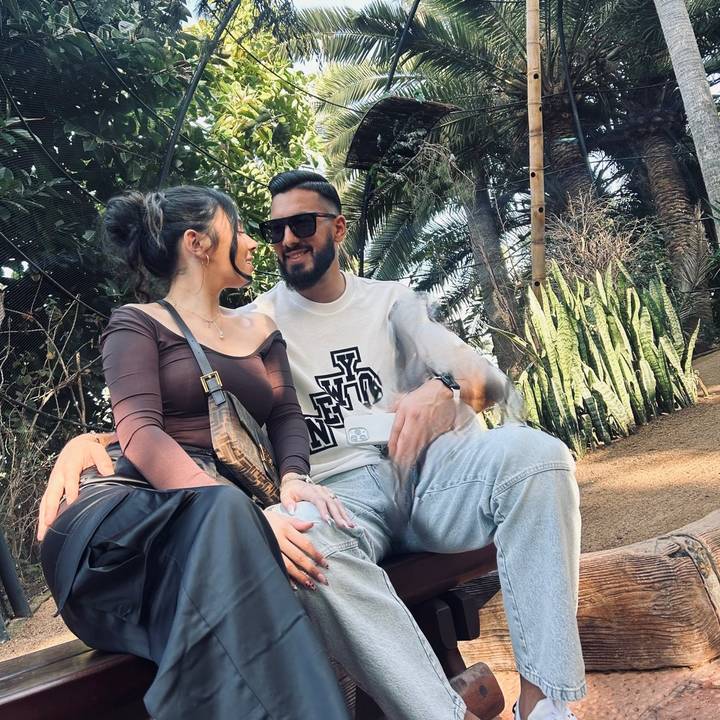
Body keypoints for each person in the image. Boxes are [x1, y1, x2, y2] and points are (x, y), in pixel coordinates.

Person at [40, 172, 586, 720]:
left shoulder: (390, 302)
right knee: (302, 541)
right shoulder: (253, 320)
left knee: (538, 458)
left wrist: (443, 389)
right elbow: (175, 404)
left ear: (338, 228)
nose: (285, 240)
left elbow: (488, 382)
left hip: (428, 478)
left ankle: (544, 705)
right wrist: (90, 441)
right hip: (334, 495)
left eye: (301, 224)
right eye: (272, 229)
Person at [38, 185, 350, 720]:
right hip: (130, 528)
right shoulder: (137, 322)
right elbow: (140, 431)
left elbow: (285, 417)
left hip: (214, 525)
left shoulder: (260, 330)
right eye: (240, 229)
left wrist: (294, 478)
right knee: (229, 519)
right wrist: (249, 520)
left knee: (259, 556)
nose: (254, 243)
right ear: (198, 243)